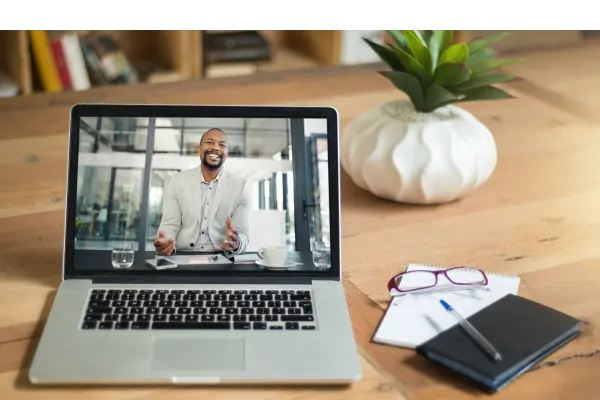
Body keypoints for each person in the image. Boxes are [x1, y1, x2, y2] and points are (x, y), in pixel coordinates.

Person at [154, 128, 250, 256]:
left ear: (226, 154)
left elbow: (243, 235)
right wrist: (166, 241)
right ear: (199, 149)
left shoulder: (240, 186)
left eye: (222, 145)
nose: (216, 147)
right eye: (210, 142)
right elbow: (170, 225)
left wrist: (237, 244)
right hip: (183, 255)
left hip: (222, 258)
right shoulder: (178, 180)